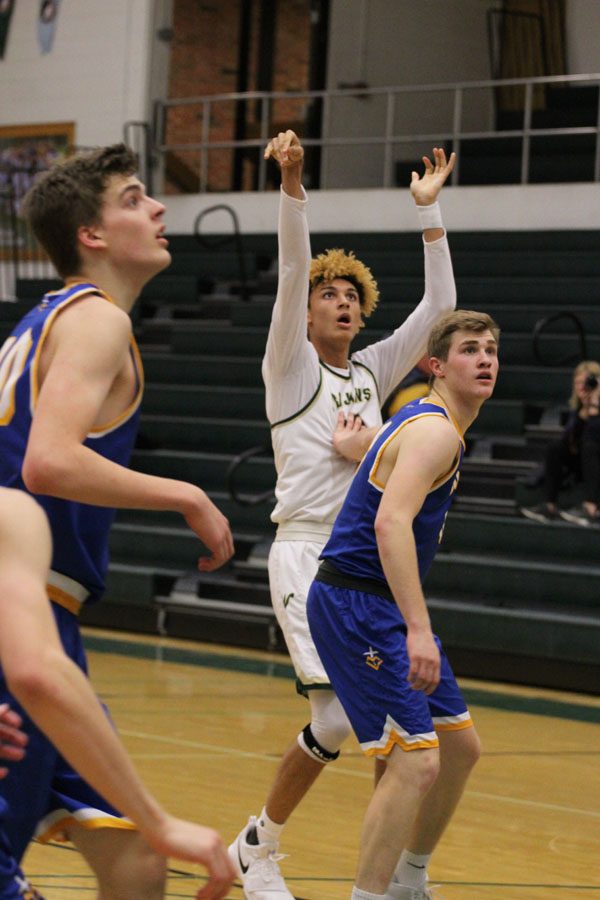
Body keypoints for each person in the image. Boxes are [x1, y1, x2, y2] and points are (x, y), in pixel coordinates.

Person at [0, 143, 235, 899]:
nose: (159, 208)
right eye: (134, 198)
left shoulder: (40, 323)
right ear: (91, 236)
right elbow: (47, 462)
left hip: (44, 613)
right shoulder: (95, 321)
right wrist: (187, 495)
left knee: (135, 853)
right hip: (20, 615)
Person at [229, 129, 457, 899]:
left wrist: (430, 216)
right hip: (306, 557)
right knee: (338, 724)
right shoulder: (288, 369)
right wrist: (292, 186)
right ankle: (258, 847)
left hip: (366, 565)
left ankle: (384, 876)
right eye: (331, 295)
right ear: (307, 313)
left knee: (391, 732)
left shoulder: (371, 368)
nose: (342, 302)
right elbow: (293, 267)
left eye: (353, 296)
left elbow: (442, 309)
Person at [307, 309, 499, 900]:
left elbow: (385, 456)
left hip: (379, 602)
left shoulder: (426, 420)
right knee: (416, 762)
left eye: (491, 348)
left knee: (460, 748)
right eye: (470, 349)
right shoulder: (436, 431)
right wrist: (419, 629)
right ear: (436, 365)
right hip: (356, 601)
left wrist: (356, 444)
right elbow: (391, 524)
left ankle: (406, 881)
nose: (486, 358)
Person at [0, 487, 234, 900]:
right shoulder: (14, 516)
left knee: (137, 853)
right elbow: (35, 673)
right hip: (45, 634)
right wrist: (158, 822)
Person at [519, 359, 600, 527]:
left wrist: (595, 409)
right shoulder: (579, 408)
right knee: (555, 447)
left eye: (585, 383)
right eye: (577, 383)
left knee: (590, 446)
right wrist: (585, 411)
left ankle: (591, 508)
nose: (580, 387)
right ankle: (549, 506)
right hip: (584, 462)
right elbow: (570, 440)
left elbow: (594, 437)